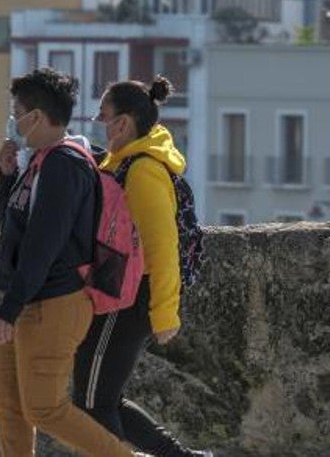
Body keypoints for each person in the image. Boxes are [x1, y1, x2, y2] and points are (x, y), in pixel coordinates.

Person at [0, 67, 135, 457]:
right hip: (30, 299)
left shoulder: (62, 166)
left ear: (35, 117)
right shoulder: (37, 162)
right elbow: (13, 228)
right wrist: (6, 178)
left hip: (53, 302)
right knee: (8, 400)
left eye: (16, 110)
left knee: (44, 407)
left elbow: (43, 245)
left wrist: (10, 306)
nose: (12, 118)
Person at [73, 76, 211, 457]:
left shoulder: (142, 171)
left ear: (123, 124)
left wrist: (165, 313)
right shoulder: (122, 161)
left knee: (91, 404)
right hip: (120, 293)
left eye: (104, 115)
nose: (99, 121)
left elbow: (162, 246)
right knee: (102, 399)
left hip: (131, 299)